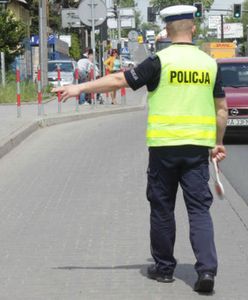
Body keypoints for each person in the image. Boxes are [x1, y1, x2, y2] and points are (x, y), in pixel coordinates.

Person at [52, 5, 228, 294]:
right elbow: (222, 110)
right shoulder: (209, 64)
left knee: (162, 209)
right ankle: (206, 270)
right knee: (199, 210)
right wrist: (217, 143)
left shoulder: (160, 60)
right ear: (193, 28)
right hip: (197, 150)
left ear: (167, 31)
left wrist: (78, 89)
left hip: (163, 150)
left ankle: (164, 269)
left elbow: (120, 79)